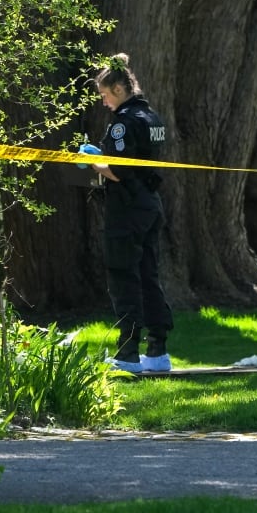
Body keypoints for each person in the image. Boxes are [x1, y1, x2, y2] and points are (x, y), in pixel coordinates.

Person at [88, 53, 174, 373]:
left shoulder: (124, 122)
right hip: (150, 204)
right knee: (149, 275)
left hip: (126, 208)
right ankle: (158, 350)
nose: (104, 102)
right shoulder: (152, 117)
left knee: (124, 275)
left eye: (105, 95)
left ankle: (127, 353)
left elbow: (120, 172)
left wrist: (93, 163)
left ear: (120, 89)